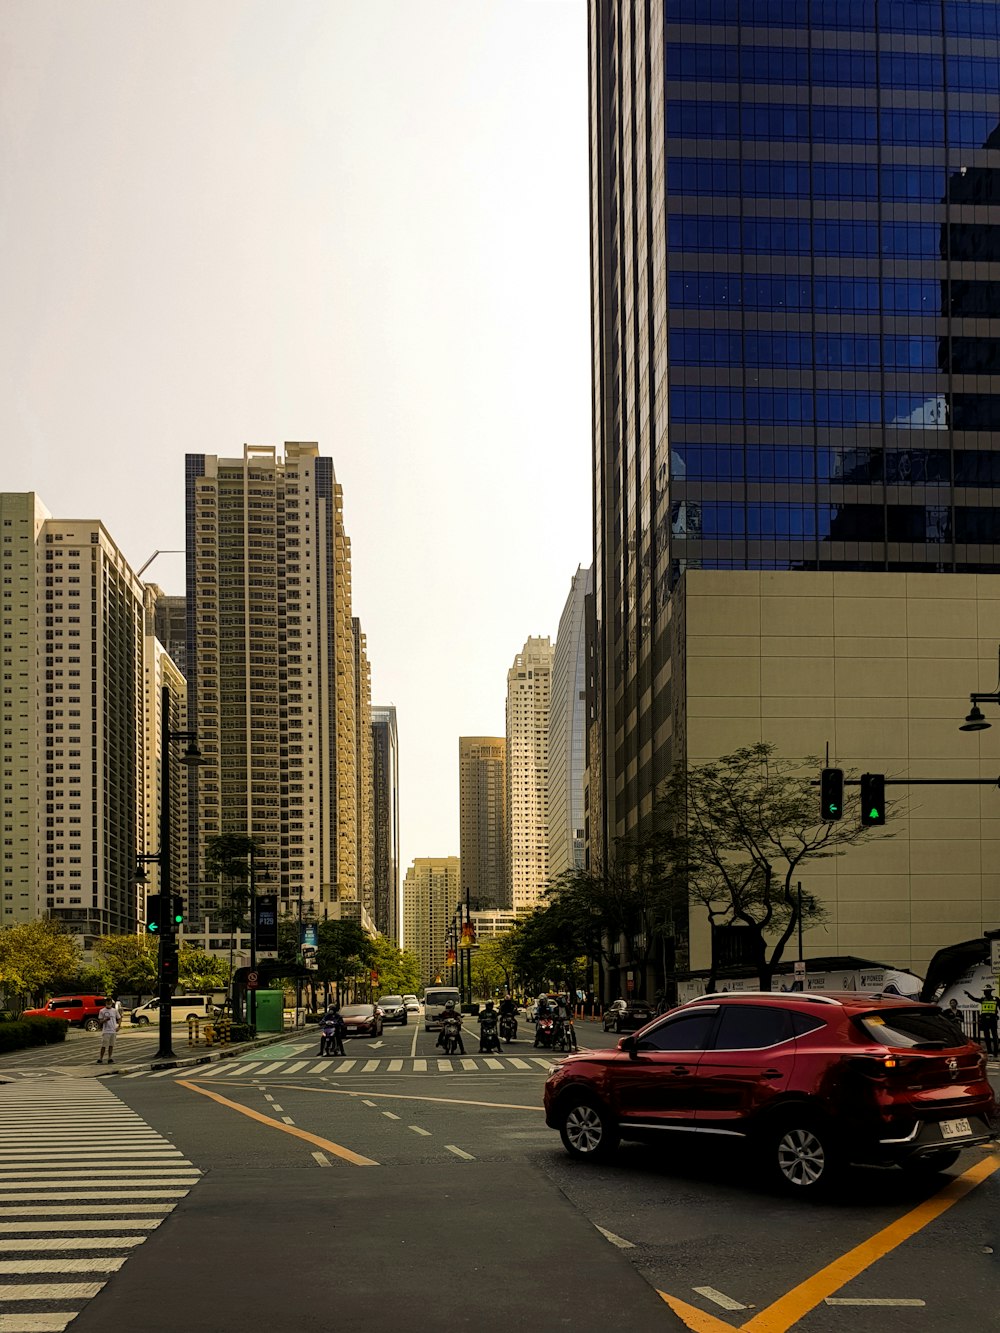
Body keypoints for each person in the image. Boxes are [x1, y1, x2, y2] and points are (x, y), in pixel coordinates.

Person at [964, 983, 999, 1057]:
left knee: (995, 1036)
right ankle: (989, 1051)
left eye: (986, 991)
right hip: (985, 1020)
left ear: (990, 991)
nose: (985, 992)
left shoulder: (996, 999)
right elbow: (975, 999)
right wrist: (968, 994)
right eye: (984, 991)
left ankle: (995, 1052)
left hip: (993, 1020)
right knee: (987, 1036)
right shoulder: (983, 999)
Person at [96, 999, 119, 1064]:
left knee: (111, 1045)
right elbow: (100, 1021)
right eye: (107, 1002)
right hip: (106, 1031)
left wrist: (119, 1026)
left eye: (110, 1003)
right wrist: (105, 1020)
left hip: (113, 1030)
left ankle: (110, 1058)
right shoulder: (102, 1011)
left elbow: (119, 1018)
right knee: (104, 1045)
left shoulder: (114, 1011)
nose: (108, 1004)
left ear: (111, 1003)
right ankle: (100, 1058)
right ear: (105, 1003)